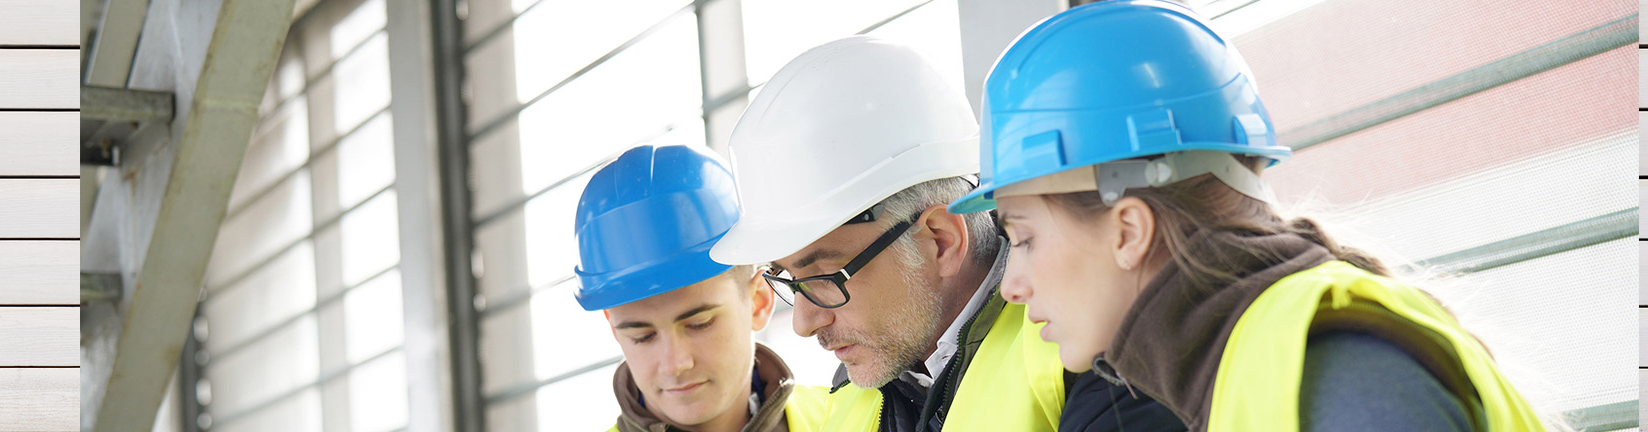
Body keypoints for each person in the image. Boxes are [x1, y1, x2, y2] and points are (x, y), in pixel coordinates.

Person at [946, 2, 1547, 431]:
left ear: (1129, 230)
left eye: (1022, 238)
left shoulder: (1334, 377)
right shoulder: (1241, 364)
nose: (1012, 285)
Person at [709, 35, 1184, 432]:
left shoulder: (1092, 353)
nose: (804, 322)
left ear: (941, 240)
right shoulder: (855, 395)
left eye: (826, 276)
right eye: (787, 279)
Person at [573, 144, 839, 432]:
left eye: (699, 324)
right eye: (643, 336)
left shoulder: (854, 422)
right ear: (614, 329)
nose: (675, 364)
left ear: (758, 301)